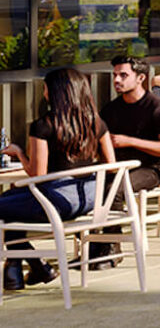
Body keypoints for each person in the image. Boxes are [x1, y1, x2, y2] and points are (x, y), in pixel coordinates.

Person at [3, 68, 115, 291]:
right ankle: (16, 271)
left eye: (45, 88)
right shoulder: (97, 123)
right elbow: (111, 165)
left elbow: (38, 175)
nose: (43, 92)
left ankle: (35, 264)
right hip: (89, 200)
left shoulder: (43, 125)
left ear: (54, 93)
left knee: (6, 205)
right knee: (10, 203)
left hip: (56, 202)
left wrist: (19, 154)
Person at [103, 56, 160, 196]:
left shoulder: (158, 107)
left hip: (150, 169)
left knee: (113, 188)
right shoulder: (111, 108)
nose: (116, 80)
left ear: (140, 78)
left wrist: (129, 141)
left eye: (123, 75)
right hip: (117, 166)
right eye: (115, 75)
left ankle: (116, 218)